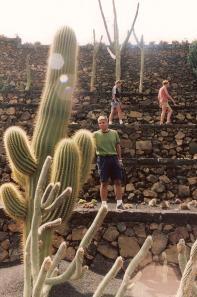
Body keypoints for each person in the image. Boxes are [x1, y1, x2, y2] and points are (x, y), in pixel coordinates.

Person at [93, 115, 125, 210]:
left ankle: (119, 203)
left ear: (107, 122)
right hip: (102, 159)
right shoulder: (95, 134)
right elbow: (89, 144)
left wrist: (120, 159)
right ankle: (103, 204)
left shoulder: (114, 133)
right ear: (98, 124)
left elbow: (118, 146)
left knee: (118, 181)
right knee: (104, 182)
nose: (102, 124)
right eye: (100, 123)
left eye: (103, 122)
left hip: (114, 158)